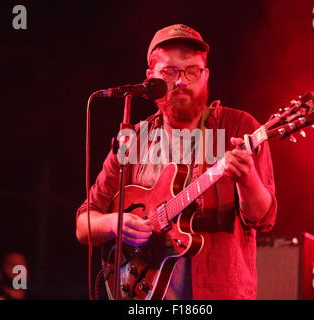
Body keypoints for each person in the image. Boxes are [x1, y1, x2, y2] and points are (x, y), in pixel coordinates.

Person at [76, 24, 277, 300]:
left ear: (205, 76)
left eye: (192, 71)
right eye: (169, 72)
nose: (181, 81)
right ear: (150, 78)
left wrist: (247, 178)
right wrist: (114, 223)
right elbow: (84, 222)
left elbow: (263, 218)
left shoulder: (239, 127)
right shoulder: (131, 140)